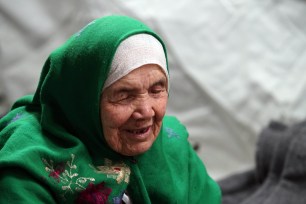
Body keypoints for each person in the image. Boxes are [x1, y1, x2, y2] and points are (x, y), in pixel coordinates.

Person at [0, 15, 221, 204]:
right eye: (124, 95)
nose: (146, 112)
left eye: (157, 90)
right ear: (83, 99)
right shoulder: (29, 166)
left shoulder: (173, 148)